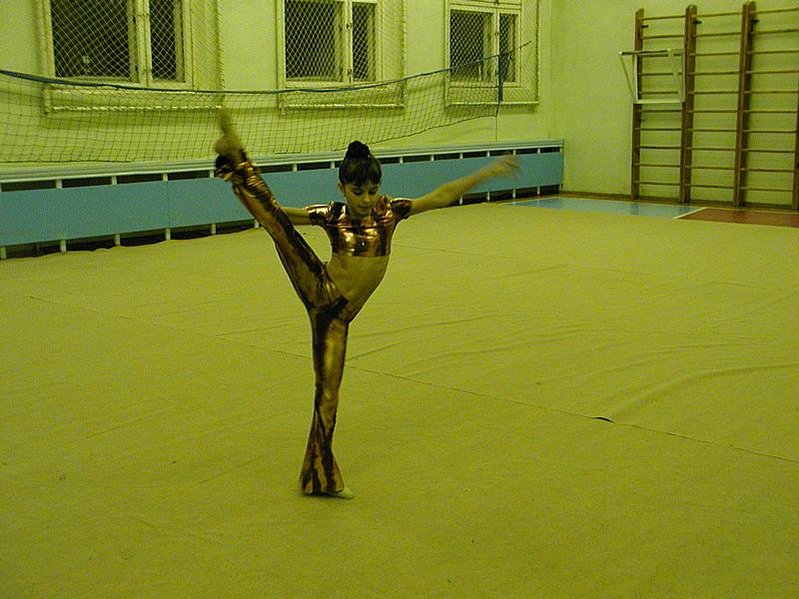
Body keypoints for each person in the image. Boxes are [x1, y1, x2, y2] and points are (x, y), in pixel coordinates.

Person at [214, 113, 517, 499]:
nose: (366, 198)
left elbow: (441, 196)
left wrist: (487, 173)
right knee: (278, 227)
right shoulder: (334, 215)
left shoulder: (390, 212)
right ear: (342, 187)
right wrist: (266, 211)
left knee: (328, 396)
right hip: (321, 291)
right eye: (358, 191)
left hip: (337, 320)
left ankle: (318, 478)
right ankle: (236, 156)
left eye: (373, 190)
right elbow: (286, 216)